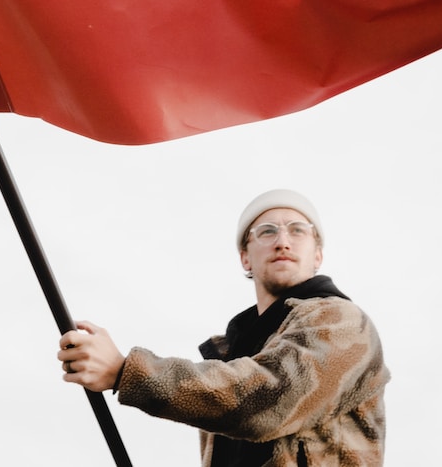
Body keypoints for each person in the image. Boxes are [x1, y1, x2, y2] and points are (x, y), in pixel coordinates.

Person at [58, 189, 389, 466]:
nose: (283, 241)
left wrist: (125, 372)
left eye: (298, 230)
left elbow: (268, 397)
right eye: (267, 231)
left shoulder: (342, 321)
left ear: (317, 255)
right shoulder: (232, 355)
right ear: (245, 257)